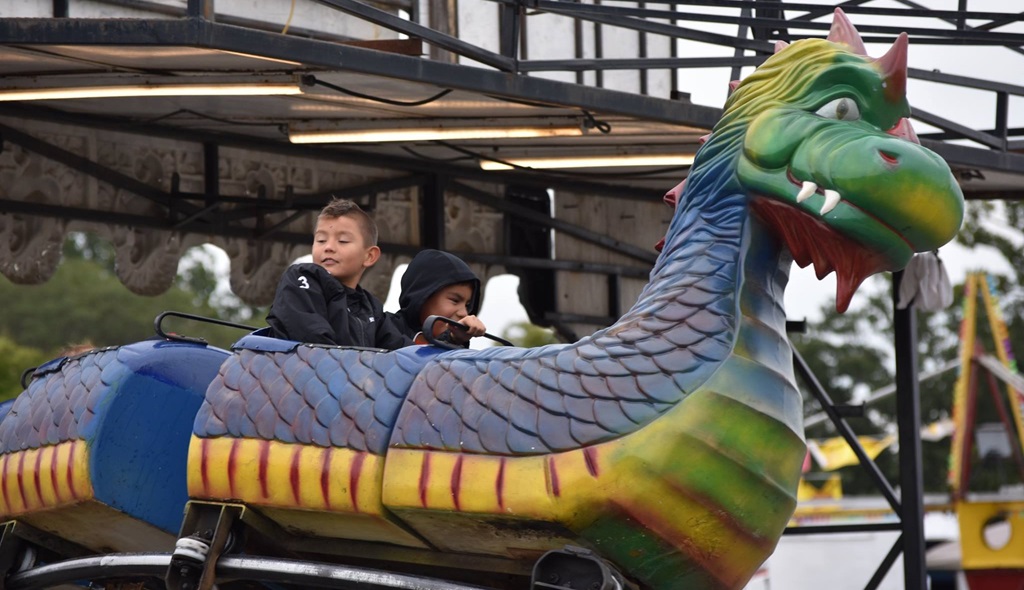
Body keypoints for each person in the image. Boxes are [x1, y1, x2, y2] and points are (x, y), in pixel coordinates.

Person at [265, 198, 412, 350]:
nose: (328, 247)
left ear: (369, 256)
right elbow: (315, 344)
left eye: (343, 241)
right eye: (321, 240)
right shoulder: (301, 279)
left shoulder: (370, 307)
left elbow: (400, 350)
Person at [389, 249, 487, 347]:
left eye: (467, 305)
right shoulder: (381, 330)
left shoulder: (459, 350)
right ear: (423, 296)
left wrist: (454, 340)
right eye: (455, 300)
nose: (464, 313)